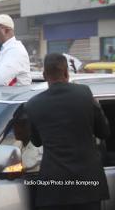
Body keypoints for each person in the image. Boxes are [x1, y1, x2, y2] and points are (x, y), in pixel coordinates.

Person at [24, 53, 110, 210]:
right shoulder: (84, 94)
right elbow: (104, 132)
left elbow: (36, 141)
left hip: (54, 188)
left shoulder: (33, 105)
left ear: (44, 75)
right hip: (88, 186)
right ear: (66, 73)